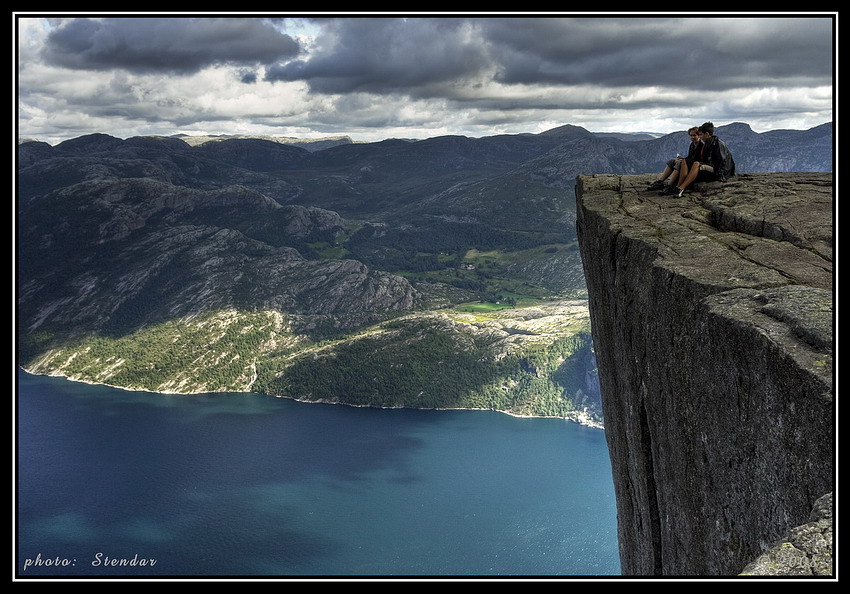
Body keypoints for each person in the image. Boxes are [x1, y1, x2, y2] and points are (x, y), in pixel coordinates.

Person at [660, 121, 736, 197]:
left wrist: (720, 176)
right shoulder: (708, 143)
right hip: (711, 167)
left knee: (696, 164)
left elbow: (722, 162)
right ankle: (676, 187)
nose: (700, 137)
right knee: (686, 162)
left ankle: (681, 188)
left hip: (719, 171)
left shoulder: (718, 144)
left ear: (707, 134)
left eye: (701, 134)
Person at [645, 127, 702, 192]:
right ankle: (660, 181)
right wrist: (682, 158)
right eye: (691, 135)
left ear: (699, 135)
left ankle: (670, 185)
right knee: (672, 161)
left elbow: (698, 160)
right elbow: (690, 157)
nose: (692, 137)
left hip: (694, 167)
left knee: (678, 163)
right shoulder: (692, 145)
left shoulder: (701, 146)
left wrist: (683, 160)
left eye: (694, 135)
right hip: (689, 163)